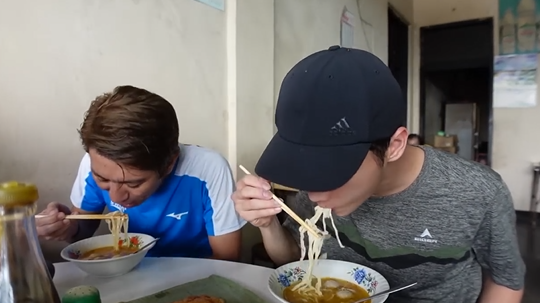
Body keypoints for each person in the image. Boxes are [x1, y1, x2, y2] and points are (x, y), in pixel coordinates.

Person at [232, 46, 525, 303]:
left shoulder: (477, 191)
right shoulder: (315, 189)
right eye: (305, 163)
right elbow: (295, 259)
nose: (314, 192)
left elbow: (506, 280)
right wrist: (268, 223)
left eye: (332, 169)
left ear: (394, 146)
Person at [37, 85, 246, 260]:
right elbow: (82, 232)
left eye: (133, 184)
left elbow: (227, 258)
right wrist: (66, 227)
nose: (115, 197)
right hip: (125, 274)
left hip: (198, 282)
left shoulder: (208, 169)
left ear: (169, 164)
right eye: (102, 179)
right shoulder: (93, 162)